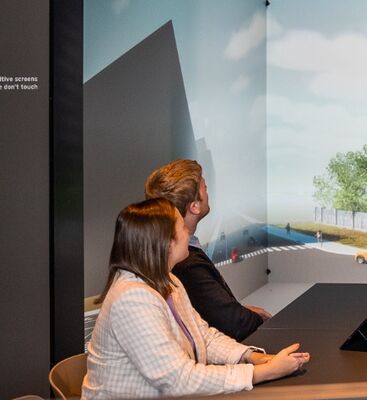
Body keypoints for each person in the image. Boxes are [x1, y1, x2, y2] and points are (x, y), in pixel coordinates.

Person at [82, 198, 309, 399]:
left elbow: (203, 336)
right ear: (166, 241)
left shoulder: (168, 281)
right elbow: (178, 380)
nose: (188, 233)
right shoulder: (132, 299)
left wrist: (250, 357)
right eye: (182, 227)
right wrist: (264, 372)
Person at [145, 159, 270, 341]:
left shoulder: (178, 255)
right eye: (204, 187)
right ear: (194, 206)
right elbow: (233, 324)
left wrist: (241, 311)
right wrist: (254, 318)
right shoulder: (186, 264)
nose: (208, 190)